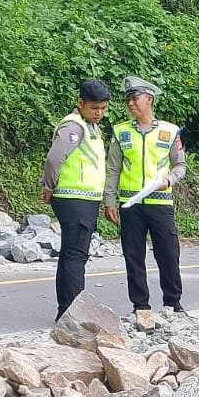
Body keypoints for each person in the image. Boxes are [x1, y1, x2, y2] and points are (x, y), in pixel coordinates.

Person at [104, 76, 187, 327]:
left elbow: (181, 165)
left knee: (168, 254)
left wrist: (169, 180)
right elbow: (113, 169)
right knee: (133, 255)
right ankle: (140, 304)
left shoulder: (169, 132)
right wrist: (109, 200)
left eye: (135, 98)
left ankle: (173, 302)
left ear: (149, 100)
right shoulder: (121, 132)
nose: (130, 103)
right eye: (128, 99)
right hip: (130, 204)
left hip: (160, 202)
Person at [39, 79, 111, 319]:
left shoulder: (90, 126)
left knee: (71, 253)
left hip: (83, 200)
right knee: (76, 256)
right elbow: (54, 159)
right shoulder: (75, 126)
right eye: (94, 108)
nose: (99, 113)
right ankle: (73, 313)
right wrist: (49, 186)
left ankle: (66, 311)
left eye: (103, 108)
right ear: (80, 103)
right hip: (74, 199)